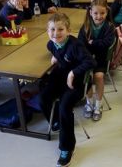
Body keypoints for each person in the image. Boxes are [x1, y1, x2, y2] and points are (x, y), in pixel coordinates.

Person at [39, 13, 96, 166]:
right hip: (61, 77)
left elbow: (91, 62)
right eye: (52, 29)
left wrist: (73, 72)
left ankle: (67, 148)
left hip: (78, 81)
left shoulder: (75, 45)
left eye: (60, 29)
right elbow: (52, 48)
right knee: (43, 98)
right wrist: (56, 57)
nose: (55, 33)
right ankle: (57, 122)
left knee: (65, 107)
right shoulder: (52, 44)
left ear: (68, 31)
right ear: (47, 31)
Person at [78, 0, 116, 121]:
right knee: (87, 75)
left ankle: (98, 105)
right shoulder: (86, 26)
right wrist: (91, 46)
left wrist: (93, 42)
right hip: (87, 58)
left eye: (102, 13)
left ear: (106, 12)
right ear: (90, 12)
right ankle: (89, 102)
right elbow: (81, 44)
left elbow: (107, 43)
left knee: (98, 76)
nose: (99, 16)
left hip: (101, 58)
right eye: (95, 13)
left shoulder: (109, 27)